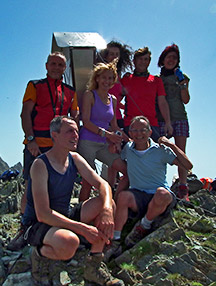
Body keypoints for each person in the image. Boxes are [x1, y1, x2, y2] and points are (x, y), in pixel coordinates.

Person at [23, 116, 124, 286]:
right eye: (70, 131)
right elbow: (43, 214)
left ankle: (94, 265)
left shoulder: (75, 158)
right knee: (70, 243)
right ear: (54, 135)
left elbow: (103, 184)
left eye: (77, 131)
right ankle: (39, 256)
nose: (75, 135)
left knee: (107, 203)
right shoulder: (40, 165)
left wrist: (107, 209)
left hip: (64, 215)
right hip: (37, 224)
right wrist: (84, 229)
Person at [8, 52, 79, 251]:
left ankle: (53, 222)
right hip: (37, 143)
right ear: (46, 66)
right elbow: (26, 113)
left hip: (58, 144)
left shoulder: (70, 91)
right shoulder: (35, 86)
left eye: (60, 65)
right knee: (31, 185)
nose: (57, 67)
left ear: (65, 69)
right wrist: (30, 139)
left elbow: (74, 116)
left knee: (58, 184)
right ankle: (25, 228)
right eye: (53, 64)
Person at [105, 116, 193, 260]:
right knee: (123, 197)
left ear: (150, 132)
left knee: (162, 193)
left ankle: (143, 226)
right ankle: (115, 240)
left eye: (143, 130)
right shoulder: (128, 149)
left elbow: (188, 166)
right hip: (138, 195)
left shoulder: (161, 150)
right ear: (131, 133)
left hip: (160, 195)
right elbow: (115, 156)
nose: (139, 134)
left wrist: (171, 145)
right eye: (135, 130)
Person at [78, 61, 129, 202]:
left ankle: (115, 202)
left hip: (103, 144)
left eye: (110, 78)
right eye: (104, 77)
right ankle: (80, 214)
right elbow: (86, 121)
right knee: (88, 181)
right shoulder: (89, 95)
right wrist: (108, 135)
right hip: (87, 142)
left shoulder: (112, 100)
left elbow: (114, 126)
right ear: (97, 78)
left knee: (126, 170)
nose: (107, 81)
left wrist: (124, 138)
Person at [157, 44, 191, 201]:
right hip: (161, 119)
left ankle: (183, 187)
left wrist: (182, 83)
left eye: (174, 58)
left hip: (180, 117)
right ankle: (159, 184)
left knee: (180, 152)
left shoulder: (183, 78)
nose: (171, 60)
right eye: (168, 57)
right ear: (162, 60)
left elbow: (186, 99)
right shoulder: (157, 80)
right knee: (159, 152)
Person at [120, 47, 173, 142]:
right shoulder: (126, 80)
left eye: (146, 59)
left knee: (155, 155)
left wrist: (168, 123)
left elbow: (162, 102)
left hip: (151, 125)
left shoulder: (156, 80)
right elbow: (114, 100)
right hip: (131, 126)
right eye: (140, 59)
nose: (143, 62)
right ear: (134, 61)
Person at [100, 41, 133, 128]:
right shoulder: (100, 75)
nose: (114, 57)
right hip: (105, 117)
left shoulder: (118, 76)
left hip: (117, 117)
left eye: (117, 54)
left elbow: (116, 100)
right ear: (105, 56)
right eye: (111, 54)